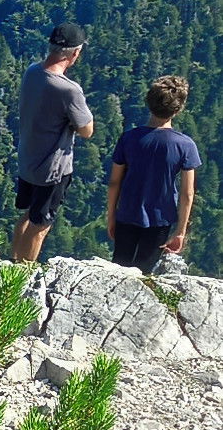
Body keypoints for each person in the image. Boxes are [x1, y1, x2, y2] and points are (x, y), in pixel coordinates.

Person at [12, 21, 94, 264]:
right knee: (40, 224)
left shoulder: (32, 72)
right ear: (75, 53)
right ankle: (24, 274)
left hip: (28, 159)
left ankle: (12, 262)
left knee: (27, 215)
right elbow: (87, 130)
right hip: (52, 168)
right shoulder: (69, 90)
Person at [105, 76, 201, 272]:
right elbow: (187, 193)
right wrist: (180, 231)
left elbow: (115, 182)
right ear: (178, 108)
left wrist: (112, 216)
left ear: (149, 102)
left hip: (127, 214)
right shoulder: (185, 145)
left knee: (118, 268)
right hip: (160, 219)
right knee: (143, 271)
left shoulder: (129, 138)